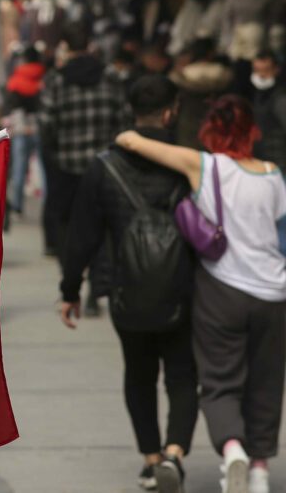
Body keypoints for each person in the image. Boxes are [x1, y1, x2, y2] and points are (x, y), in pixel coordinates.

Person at [115, 95, 286, 493]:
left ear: (211, 130)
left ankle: (233, 449)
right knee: (266, 382)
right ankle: (260, 470)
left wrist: (130, 133)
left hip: (222, 291)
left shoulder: (204, 165)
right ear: (252, 132)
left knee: (219, 380)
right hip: (274, 294)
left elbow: (132, 142)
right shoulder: (273, 175)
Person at [61, 76, 198, 493]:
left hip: (126, 288)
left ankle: (151, 460)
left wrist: (70, 290)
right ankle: (175, 452)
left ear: (131, 111)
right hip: (183, 287)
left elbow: (82, 234)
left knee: (138, 374)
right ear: (171, 112)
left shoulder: (105, 166)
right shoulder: (190, 162)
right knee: (182, 373)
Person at [39, 25, 131, 313]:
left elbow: (47, 122)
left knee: (68, 227)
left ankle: (71, 282)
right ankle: (96, 289)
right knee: (102, 227)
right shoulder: (111, 77)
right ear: (90, 46)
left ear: (66, 47)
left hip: (66, 165)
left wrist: (54, 152)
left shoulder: (56, 80)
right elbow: (124, 118)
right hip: (104, 164)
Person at [3, 46, 45, 217]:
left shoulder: (16, 79)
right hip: (39, 127)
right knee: (43, 169)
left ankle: (17, 206)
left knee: (19, 167)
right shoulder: (44, 78)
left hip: (21, 127)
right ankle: (46, 206)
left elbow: (10, 105)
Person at [249, 51, 286, 170]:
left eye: (266, 70)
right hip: (263, 162)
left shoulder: (281, 98)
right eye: (257, 70)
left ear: (276, 70)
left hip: (279, 163)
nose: (261, 75)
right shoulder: (258, 94)